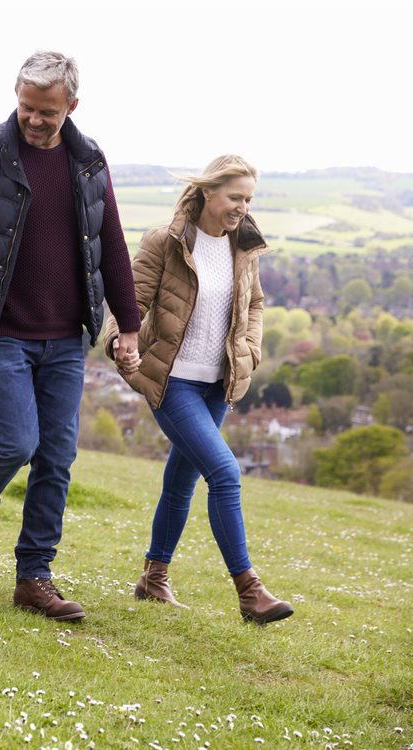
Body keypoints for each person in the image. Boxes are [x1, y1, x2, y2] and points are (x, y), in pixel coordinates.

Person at [0, 50, 141, 621]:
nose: (34, 120)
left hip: (66, 335)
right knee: (17, 442)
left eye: (47, 112)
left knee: (57, 456)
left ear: (72, 106)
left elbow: (110, 247)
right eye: (26, 108)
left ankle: (34, 577)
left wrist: (129, 326)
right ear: (16, 97)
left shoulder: (89, 160)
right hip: (0, 329)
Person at [102, 154, 294, 625]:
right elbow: (131, 300)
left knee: (181, 481)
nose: (242, 208)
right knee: (225, 474)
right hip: (172, 382)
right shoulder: (164, 242)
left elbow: (255, 305)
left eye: (248, 199)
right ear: (208, 192)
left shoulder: (242, 247)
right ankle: (250, 592)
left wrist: (249, 349)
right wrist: (117, 341)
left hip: (217, 385)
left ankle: (153, 576)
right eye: (235, 197)